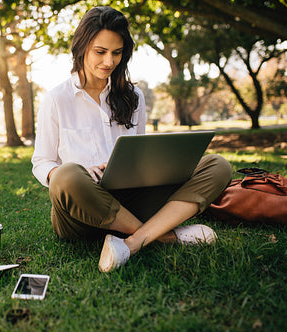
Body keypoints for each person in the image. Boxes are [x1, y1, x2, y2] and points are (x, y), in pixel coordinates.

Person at [31, 6, 232, 273]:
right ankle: (166, 236)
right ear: (82, 47)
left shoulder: (133, 97)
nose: (108, 62)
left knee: (218, 165)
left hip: (132, 201)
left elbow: (141, 154)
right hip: (83, 209)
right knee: (66, 175)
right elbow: (41, 162)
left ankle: (134, 241)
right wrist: (82, 170)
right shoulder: (57, 98)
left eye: (117, 53)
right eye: (100, 52)